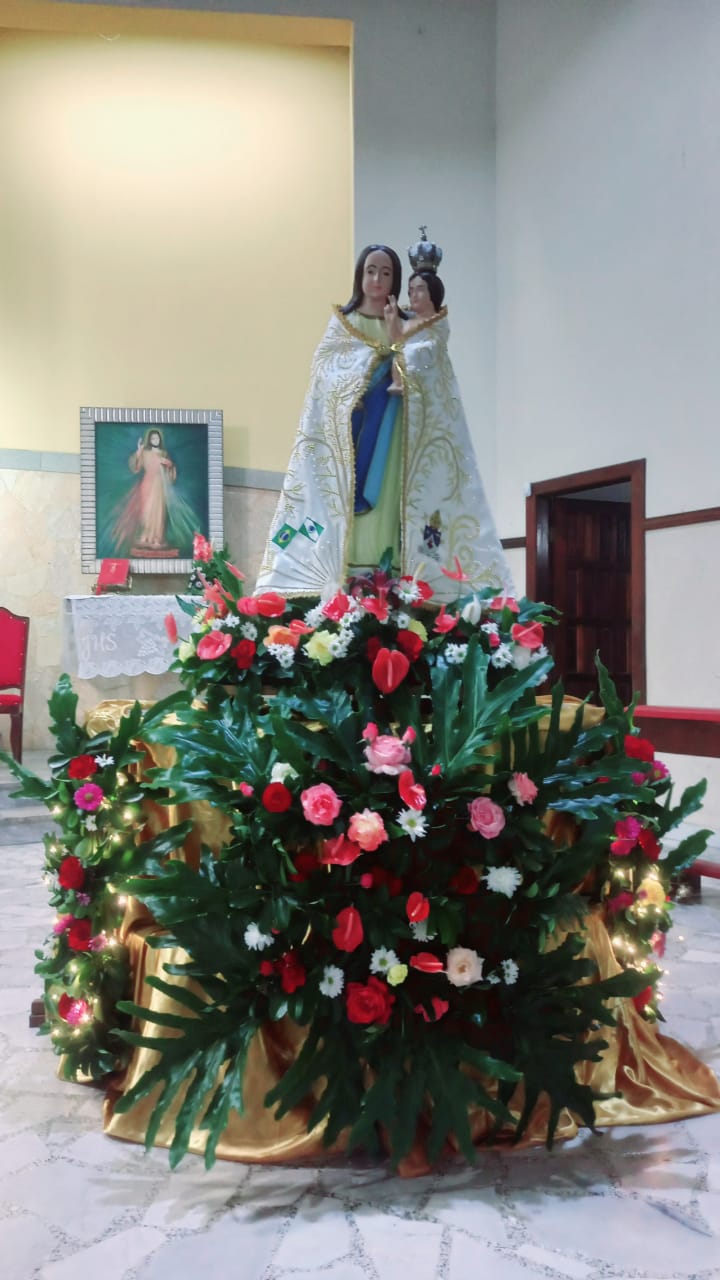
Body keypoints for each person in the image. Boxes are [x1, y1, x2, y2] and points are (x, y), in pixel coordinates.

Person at [255, 240, 512, 601]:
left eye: (386, 272)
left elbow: (434, 378)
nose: (377, 279)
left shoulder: (411, 325)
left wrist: (402, 362)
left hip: (395, 433)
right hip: (353, 430)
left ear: (396, 281)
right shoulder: (344, 326)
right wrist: (363, 375)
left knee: (390, 494)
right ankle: (342, 569)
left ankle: (391, 570)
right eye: (371, 270)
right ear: (360, 274)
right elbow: (325, 380)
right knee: (347, 493)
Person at [108, 428, 199, 557]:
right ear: (149, 440)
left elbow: (171, 472)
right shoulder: (145, 453)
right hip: (147, 484)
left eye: (157, 438)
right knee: (146, 512)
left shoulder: (164, 453)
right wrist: (139, 452)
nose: (155, 440)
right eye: (152, 438)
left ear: (160, 439)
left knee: (159, 513)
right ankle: (145, 537)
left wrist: (168, 464)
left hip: (160, 487)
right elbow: (136, 467)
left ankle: (157, 538)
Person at [388, 270, 446, 393]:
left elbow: (433, 346)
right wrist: (392, 320)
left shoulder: (437, 323)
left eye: (420, 289)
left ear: (433, 292)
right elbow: (396, 342)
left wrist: (405, 355)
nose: (413, 295)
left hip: (427, 384)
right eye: (411, 290)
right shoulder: (409, 319)